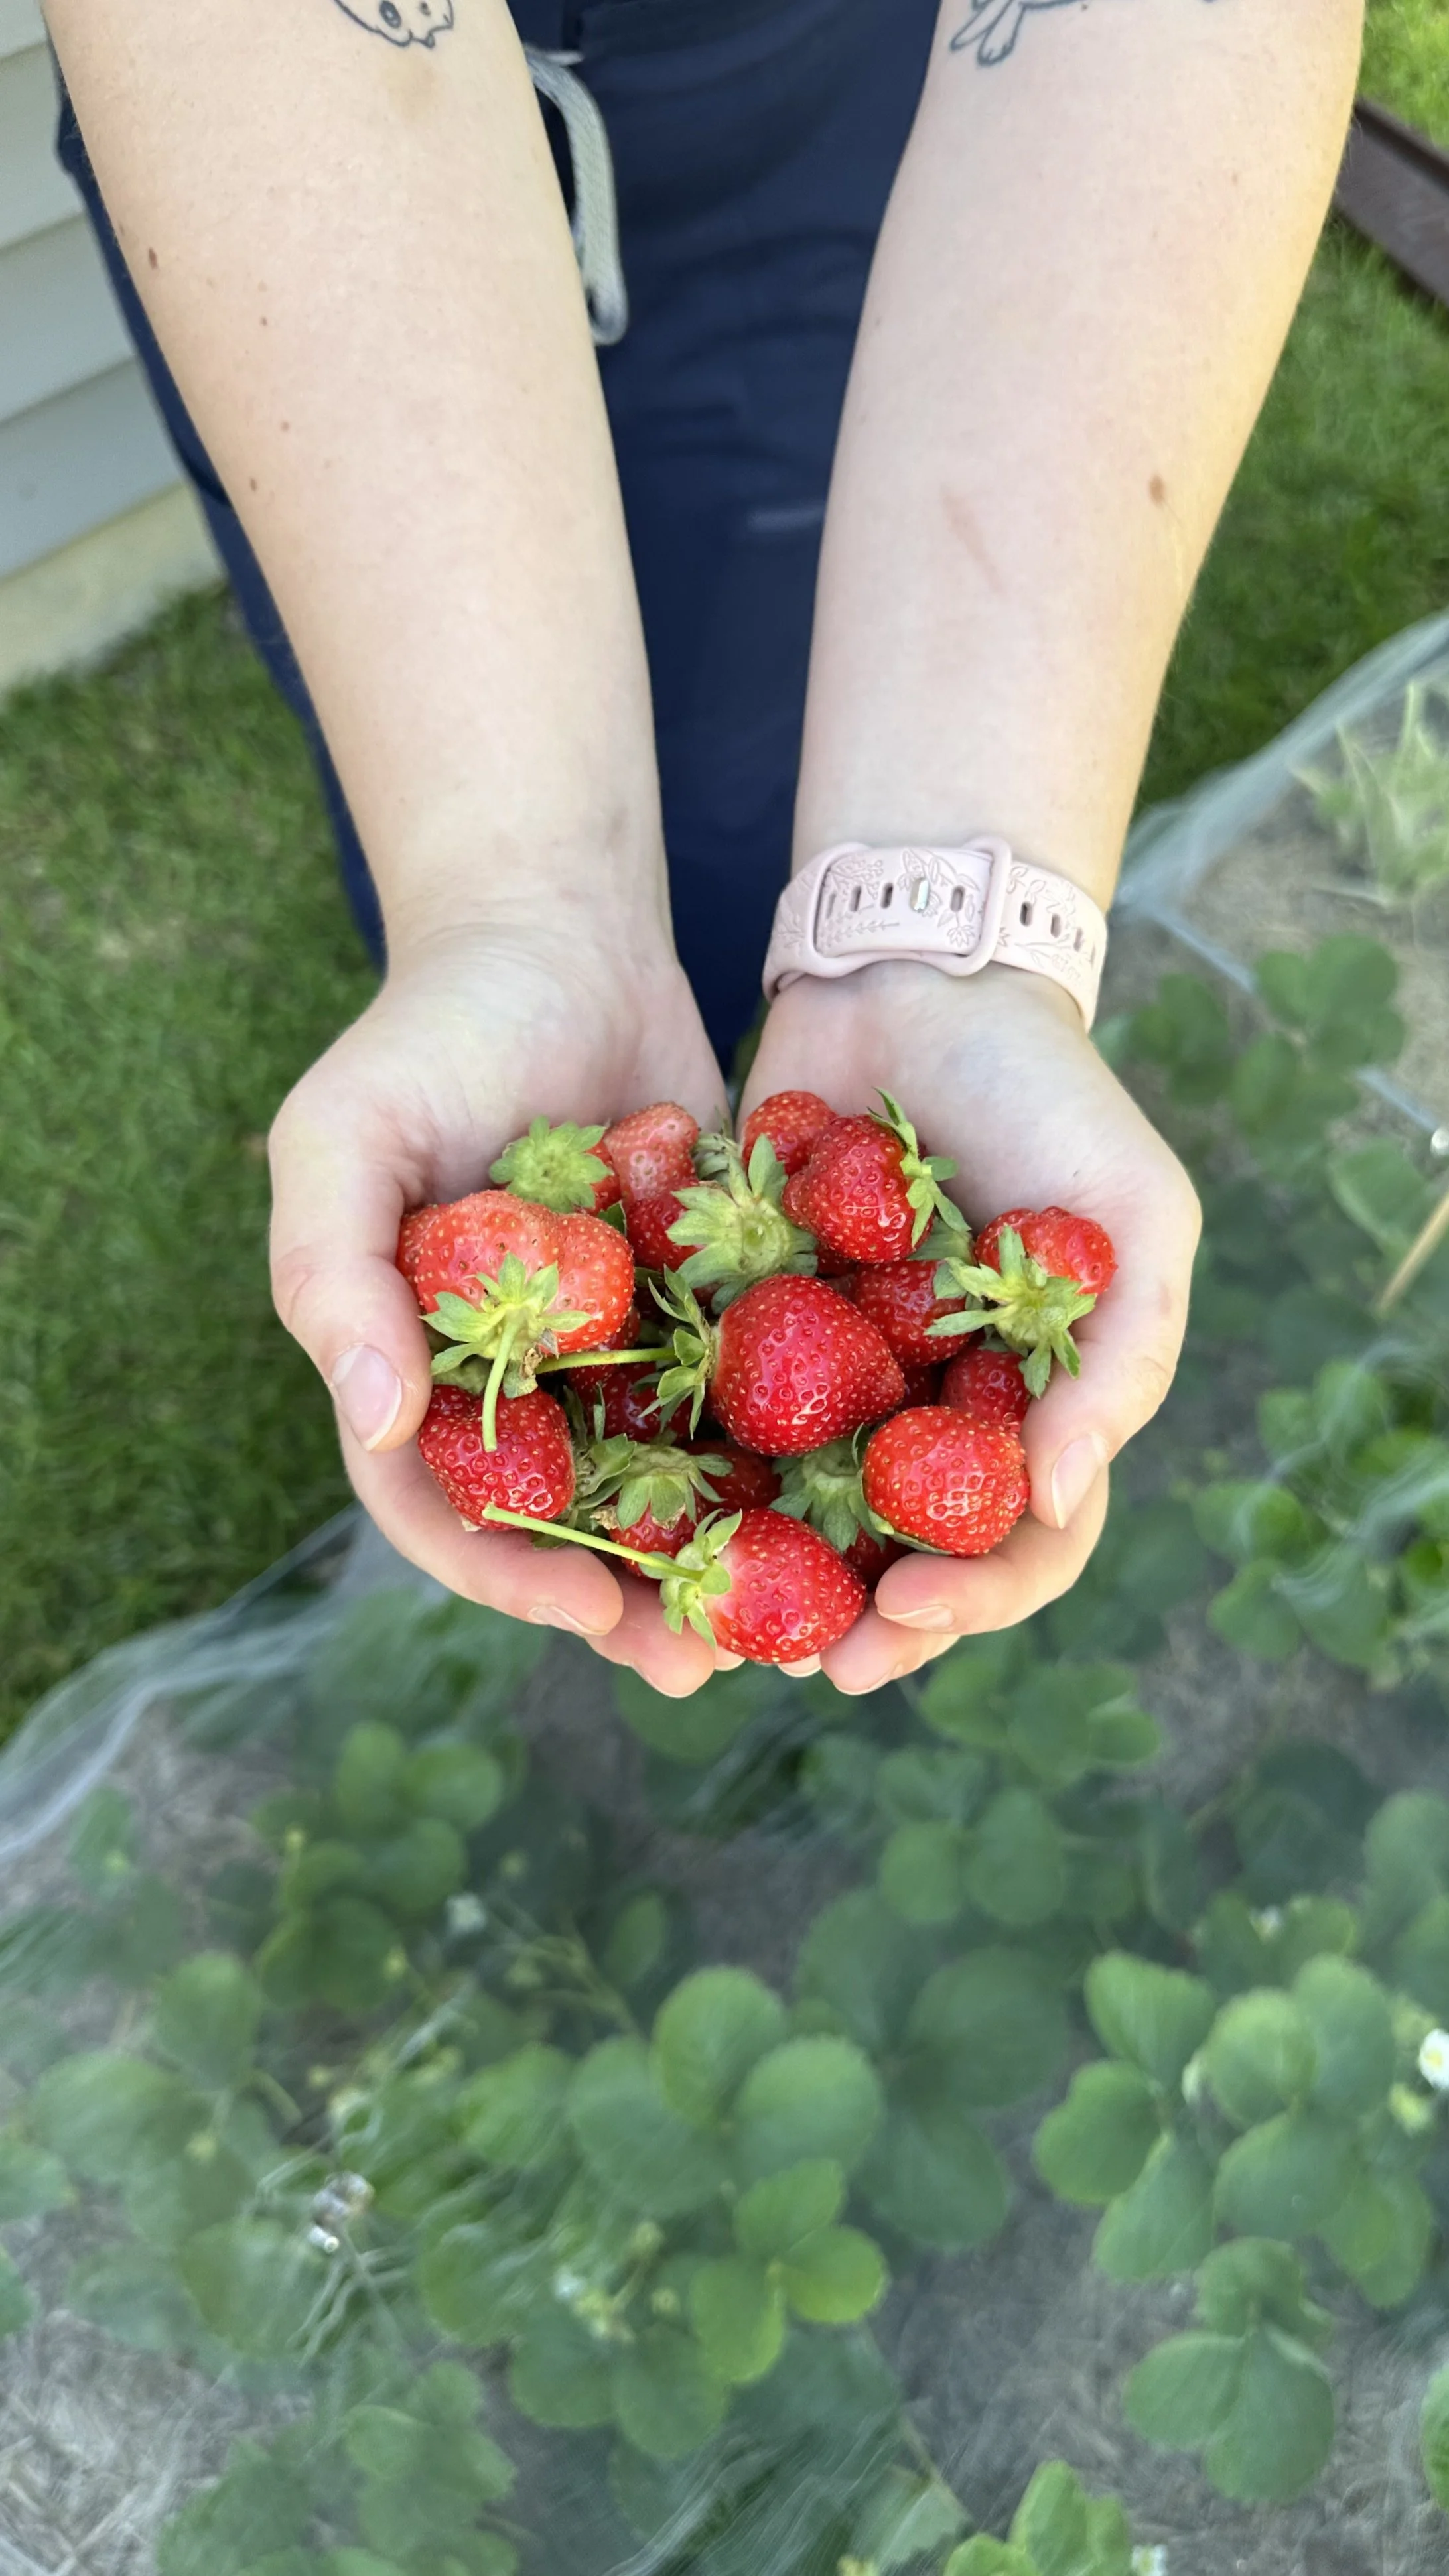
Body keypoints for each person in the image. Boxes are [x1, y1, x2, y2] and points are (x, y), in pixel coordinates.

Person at [48, 0, 1361, 1697]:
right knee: (469, 836)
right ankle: (557, 944)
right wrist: (507, 905)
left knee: (749, 733)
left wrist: (940, 934)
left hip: (856, 107)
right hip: (298, 196)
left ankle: (696, 946)